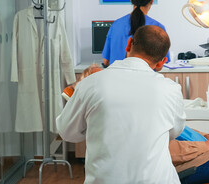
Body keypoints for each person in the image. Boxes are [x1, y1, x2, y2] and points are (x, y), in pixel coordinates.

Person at [57, 25, 186, 184]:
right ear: (162, 62)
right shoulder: (171, 89)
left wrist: (96, 125)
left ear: (129, 44)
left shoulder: (90, 84)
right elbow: (174, 132)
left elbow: (67, 132)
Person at [102, 0, 170, 67]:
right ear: (152, 1)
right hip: (144, 79)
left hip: (116, 78)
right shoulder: (157, 28)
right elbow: (160, 65)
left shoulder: (116, 25)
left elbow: (106, 62)